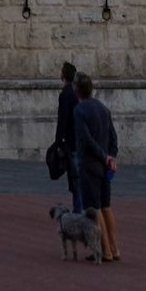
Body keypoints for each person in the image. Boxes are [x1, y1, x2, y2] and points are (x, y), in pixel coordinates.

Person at [73, 73, 120, 262]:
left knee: (94, 208)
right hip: (104, 165)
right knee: (106, 206)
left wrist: (103, 156)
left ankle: (104, 250)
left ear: (77, 91)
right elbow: (113, 138)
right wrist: (111, 157)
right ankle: (114, 248)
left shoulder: (80, 110)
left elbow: (86, 139)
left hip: (90, 164)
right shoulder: (103, 109)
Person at [56, 61, 82, 213]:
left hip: (71, 142)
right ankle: (78, 207)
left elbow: (63, 119)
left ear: (64, 75)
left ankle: (78, 209)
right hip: (76, 140)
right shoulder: (75, 93)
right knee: (75, 177)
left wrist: (58, 141)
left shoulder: (66, 94)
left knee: (75, 177)